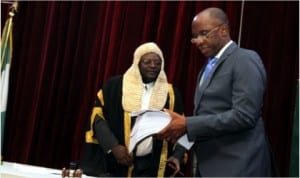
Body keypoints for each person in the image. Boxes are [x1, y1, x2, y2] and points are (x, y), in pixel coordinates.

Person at [157, 7, 277, 176]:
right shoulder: (207, 67)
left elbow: (245, 116)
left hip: (238, 166)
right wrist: (182, 130)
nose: (198, 41)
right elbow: (208, 114)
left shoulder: (245, 59)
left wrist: (188, 124)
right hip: (209, 166)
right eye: (195, 37)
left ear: (223, 30)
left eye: (204, 33)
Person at [81, 42, 186, 177]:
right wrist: (113, 147)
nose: (153, 66)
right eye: (147, 62)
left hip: (153, 165)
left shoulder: (171, 93)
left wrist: (177, 155)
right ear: (137, 63)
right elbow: (98, 118)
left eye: (157, 62)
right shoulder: (114, 86)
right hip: (118, 160)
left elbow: (182, 127)